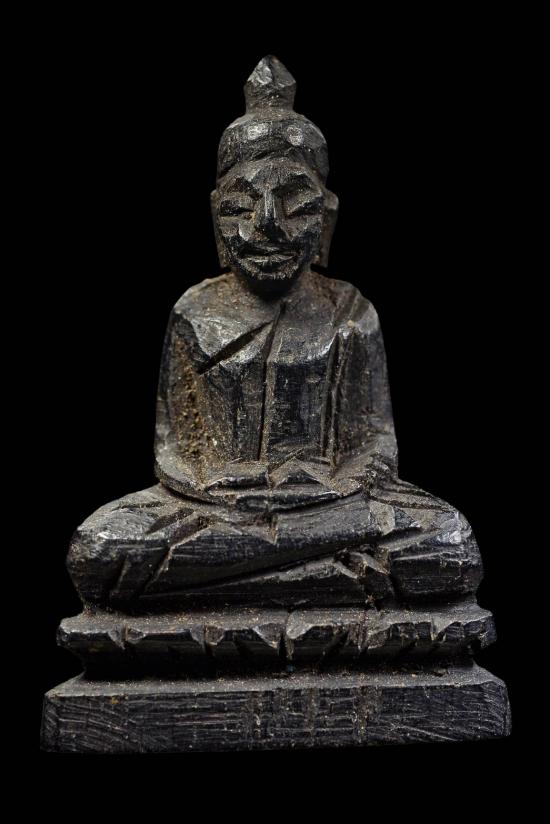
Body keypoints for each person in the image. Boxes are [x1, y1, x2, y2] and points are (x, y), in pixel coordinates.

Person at [68, 57, 481, 610]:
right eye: (241, 206)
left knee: (445, 541)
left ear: (327, 218)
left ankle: (230, 581)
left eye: (297, 206)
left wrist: (326, 487)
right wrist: (216, 487)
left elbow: (377, 445)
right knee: (101, 547)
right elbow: (172, 449)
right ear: (215, 218)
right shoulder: (194, 311)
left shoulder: (351, 312)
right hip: (213, 509)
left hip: (330, 507)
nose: (267, 225)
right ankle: (320, 579)